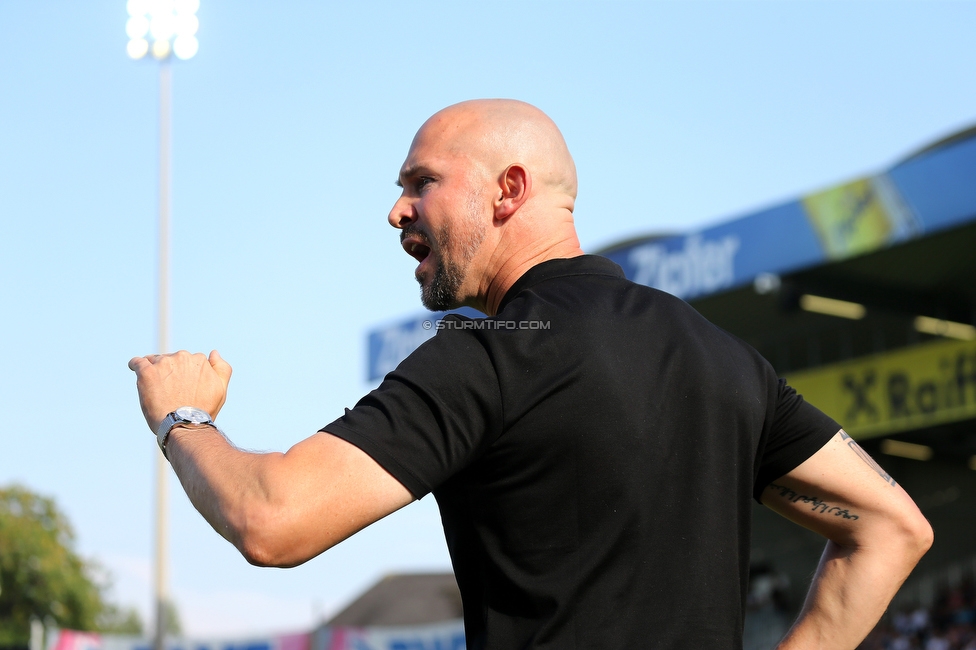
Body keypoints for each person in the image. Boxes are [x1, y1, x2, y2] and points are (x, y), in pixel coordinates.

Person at [129, 99, 933, 648]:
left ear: (509, 190)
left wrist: (183, 419)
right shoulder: (724, 357)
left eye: (422, 183)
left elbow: (272, 520)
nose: (397, 211)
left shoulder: (494, 354)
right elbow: (895, 526)